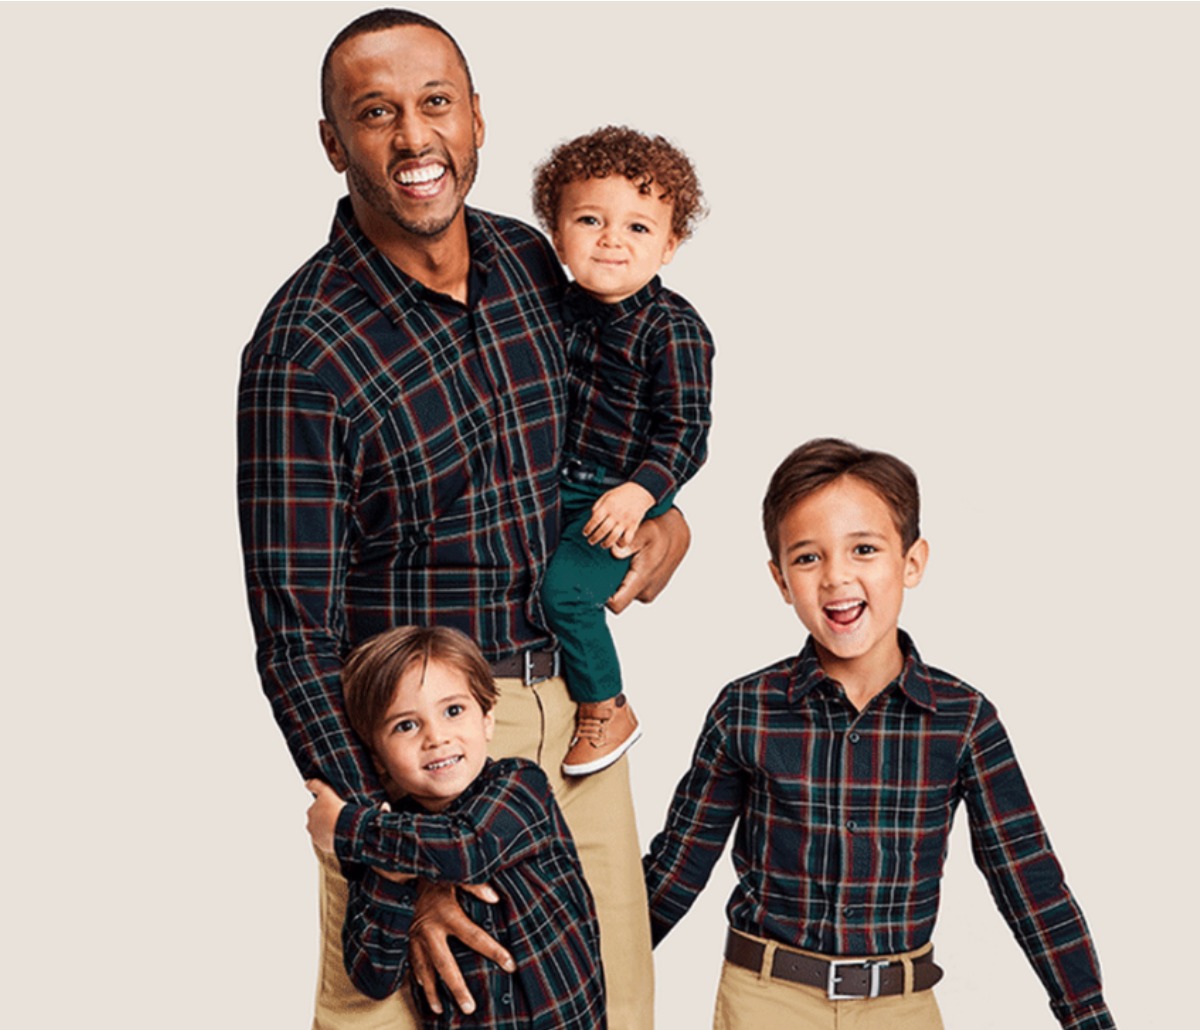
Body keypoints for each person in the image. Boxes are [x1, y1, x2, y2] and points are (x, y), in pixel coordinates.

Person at [237, 9, 685, 1028]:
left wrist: (665, 522)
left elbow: (605, 449)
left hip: (572, 723)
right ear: (331, 142)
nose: (413, 138)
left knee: (614, 1007)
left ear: (478, 119)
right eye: (376, 112)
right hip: (423, 762)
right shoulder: (302, 352)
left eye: (435, 104)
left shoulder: (537, 266)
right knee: (396, 1011)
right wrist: (398, 858)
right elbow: (295, 639)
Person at [642, 438, 1115, 1029]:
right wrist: (583, 970)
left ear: (911, 562)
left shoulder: (963, 719)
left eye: (864, 549)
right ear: (781, 579)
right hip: (766, 1001)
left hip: (901, 1006)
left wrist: (1088, 1015)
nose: (837, 577)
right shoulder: (747, 710)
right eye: (808, 558)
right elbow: (674, 872)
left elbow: (1027, 877)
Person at [305, 625, 606, 1028]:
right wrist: (388, 878)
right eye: (406, 725)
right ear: (377, 756)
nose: (436, 737)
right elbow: (373, 976)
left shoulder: (519, 786)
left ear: (486, 720)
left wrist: (347, 829)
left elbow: (467, 849)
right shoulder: (391, 842)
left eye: (453, 711)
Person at [532, 126, 714, 777]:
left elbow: (686, 431)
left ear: (669, 244)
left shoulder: (674, 330)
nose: (612, 239)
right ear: (556, 233)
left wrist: (642, 496)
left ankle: (607, 707)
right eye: (590, 220)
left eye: (639, 228)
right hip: (555, 480)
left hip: (624, 489)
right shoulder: (548, 308)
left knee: (566, 593)